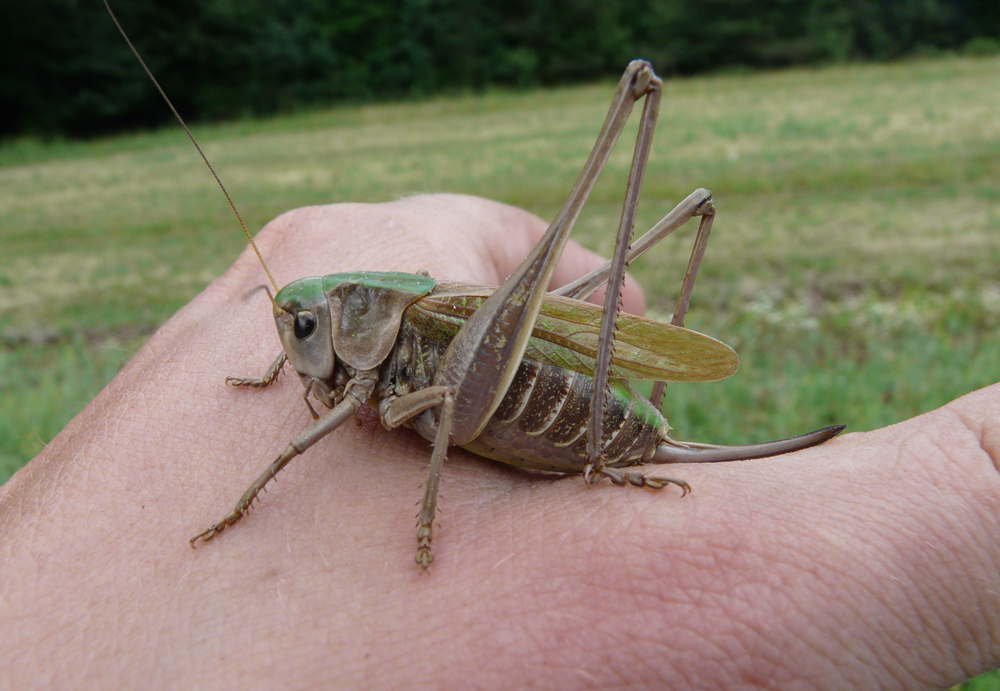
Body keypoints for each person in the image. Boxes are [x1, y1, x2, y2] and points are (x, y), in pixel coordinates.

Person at [2, 195, 997, 689]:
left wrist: (253, 509)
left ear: (348, 315)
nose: (298, 346)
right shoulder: (343, 335)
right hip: (489, 389)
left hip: (539, 411)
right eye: (292, 335)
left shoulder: (386, 349)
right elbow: (336, 373)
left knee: (426, 394)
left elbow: (421, 406)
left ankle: (629, 440)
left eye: (302, 332)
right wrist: (277, 364)